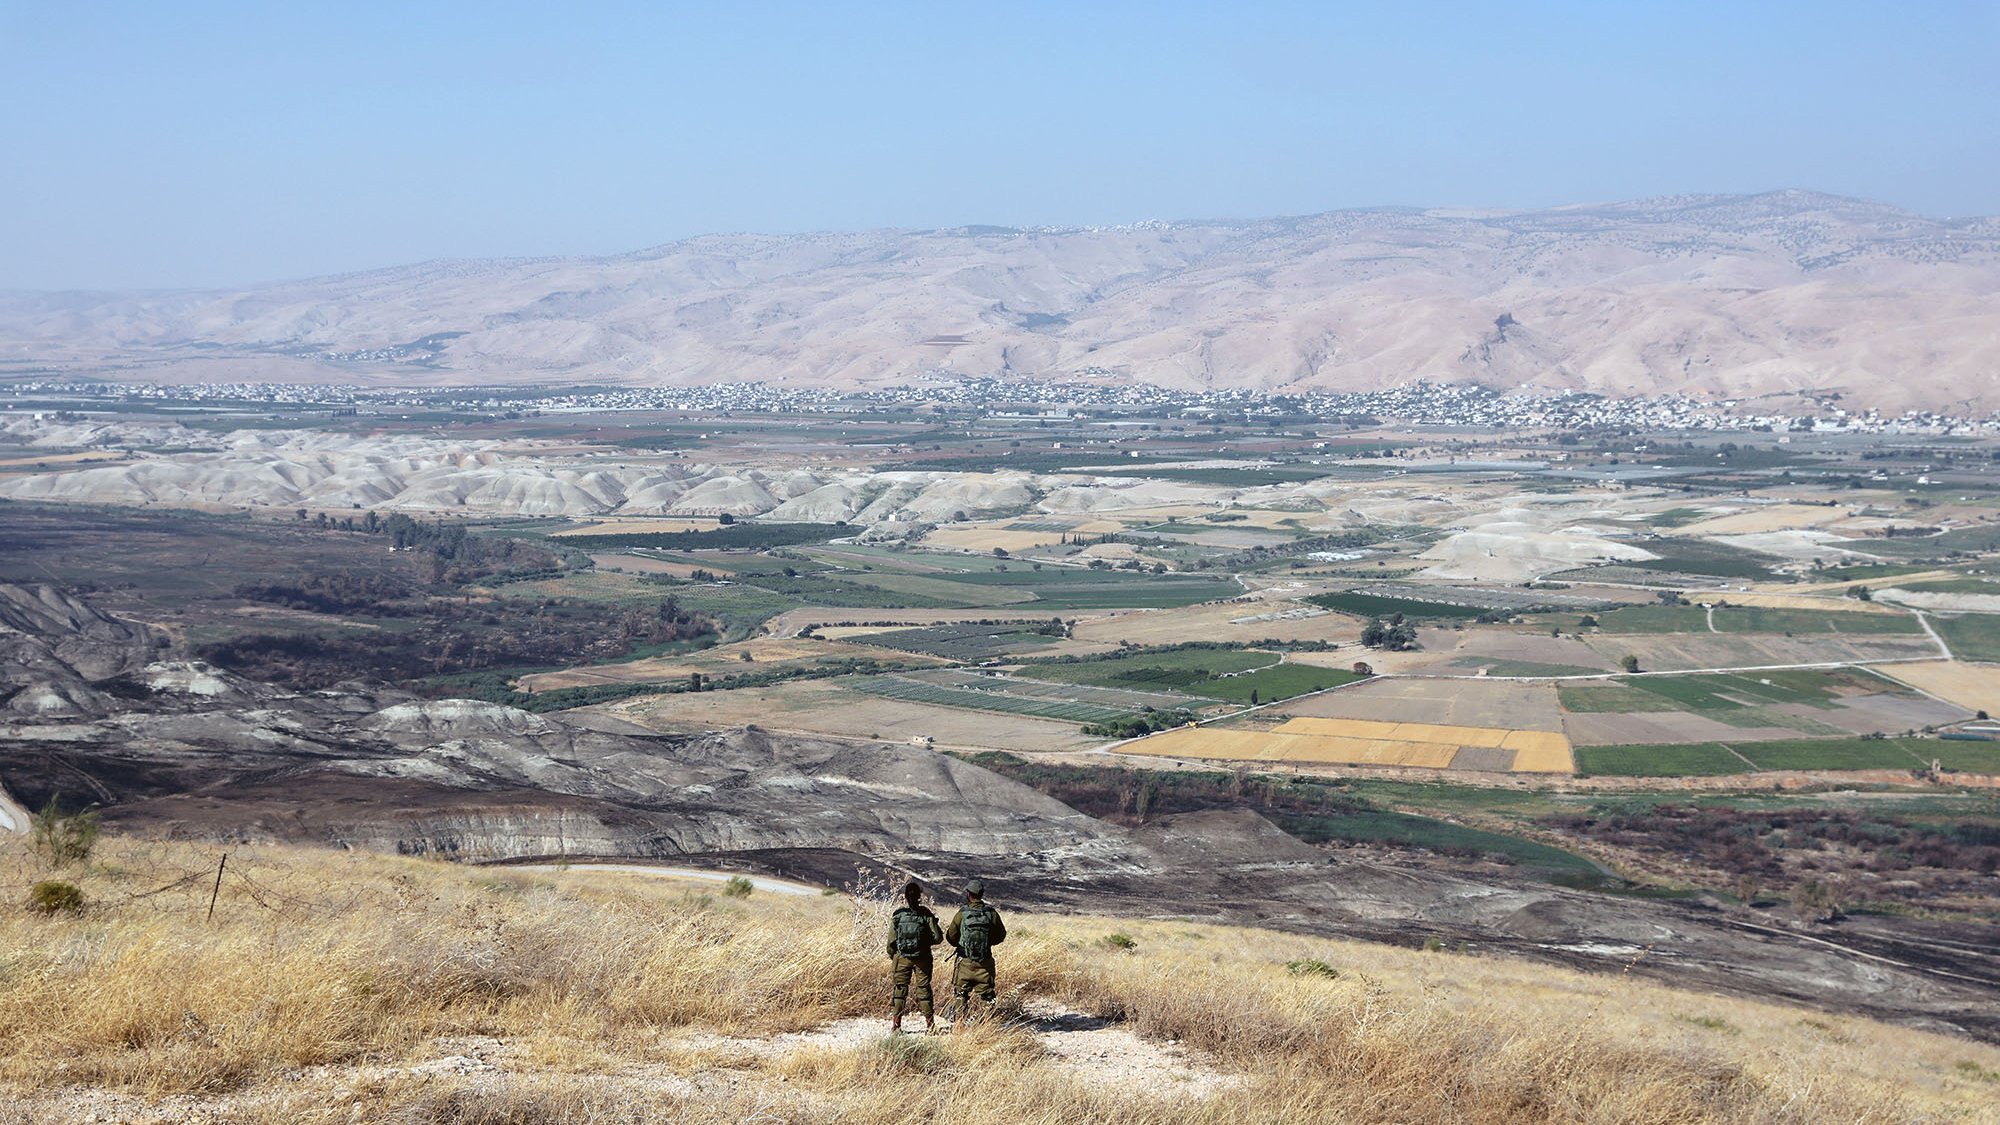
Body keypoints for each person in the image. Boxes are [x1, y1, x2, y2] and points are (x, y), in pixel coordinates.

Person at [886, 879, 945, 1034]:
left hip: (901, 957)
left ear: (905, 896)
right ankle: (930, 1026)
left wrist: (896, 957)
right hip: (923, 958)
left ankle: (896, 1027)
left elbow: (891, 942)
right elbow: (938, 938)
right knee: (924, 990)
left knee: (900, 991)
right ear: (919, 896)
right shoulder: (925, 914)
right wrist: (925, 943)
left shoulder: (898, 915)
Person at [945, 878, 1006, 1023]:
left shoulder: (962, 913)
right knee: (987, 997)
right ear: (982, 894)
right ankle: (986, 1027)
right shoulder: (991, 914)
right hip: (985, 963)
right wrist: (986, 944)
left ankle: (959, 1026)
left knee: (960, 995)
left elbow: (950, 936)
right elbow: (1001, 935)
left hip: (964, 962)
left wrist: (963, 945)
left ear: (968, 894)